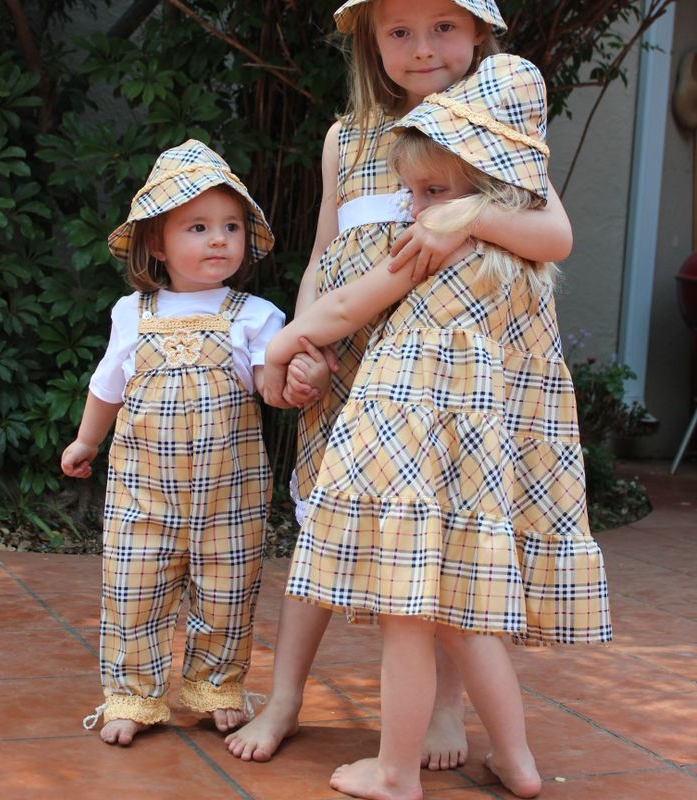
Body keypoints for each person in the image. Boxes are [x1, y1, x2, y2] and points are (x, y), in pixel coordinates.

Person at [226, 0, 573, 768]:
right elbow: (325, 253)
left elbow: (553, 236)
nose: (423, 48)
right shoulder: (345, 140)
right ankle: (284, 698)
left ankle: (444, 713)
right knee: (320, 519)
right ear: (371, 42)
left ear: (479, 35)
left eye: (444, 27)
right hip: (352, 362)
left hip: (445, 376)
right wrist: (309, 339)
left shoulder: (499, 131)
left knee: (439, 541)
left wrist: (472, 213)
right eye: (400, 31)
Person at [61, 140, 285, 746]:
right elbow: (107, 385)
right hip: (143, 495)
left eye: (231, 226)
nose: (219, 239)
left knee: (228, 589)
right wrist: (86, 442)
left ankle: (216, 686)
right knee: (133, 588)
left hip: (230, 497)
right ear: (157, 244)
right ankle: (131, 694)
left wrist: (292, 377)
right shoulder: (133, 313)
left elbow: (269, 385)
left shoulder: (256, 315)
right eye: (198, 227)